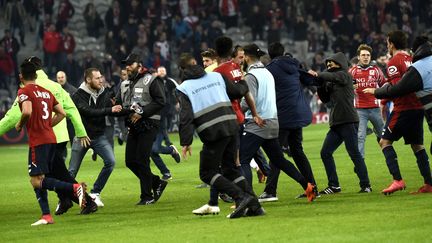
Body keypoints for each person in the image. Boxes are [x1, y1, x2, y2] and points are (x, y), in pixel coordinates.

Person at [0, 56, 96, 216]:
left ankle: (84, 200)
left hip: (41, 139)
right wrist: (80, 131)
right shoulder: (54, 86)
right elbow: (70, 109)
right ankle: (66, 200)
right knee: (54, 172)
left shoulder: (28, 89)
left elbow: (12, 117)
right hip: (57, 136)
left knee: (44, 176)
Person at [176, 53, 264, 218]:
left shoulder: (183, 88)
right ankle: (255, 206)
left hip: (213, 131)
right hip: (232, 126)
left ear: (182, 69)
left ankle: (241, 197)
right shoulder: (217, 76)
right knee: (230, 169)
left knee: (207, 173)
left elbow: (186, 116)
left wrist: (186, 141)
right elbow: (237, 92)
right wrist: (243, 81)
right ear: (196, 63)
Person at [239, 43, 316, 202]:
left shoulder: (251, 76)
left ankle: (247, 198)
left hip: (258, 123)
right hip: (274, 121)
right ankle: (307, 185)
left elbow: (248, 100)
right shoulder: (267, 73)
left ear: (246, 57)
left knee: (243, 159)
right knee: (279, 160)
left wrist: (235, 108)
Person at [15, 59, 85, 226]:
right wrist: (47, 125)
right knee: (40, 178)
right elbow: (62, 113)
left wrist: (20, 124)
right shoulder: (46, 92)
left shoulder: (24, 91)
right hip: (51, 139)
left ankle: (73, 189)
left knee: (36, 180)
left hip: (38, 141)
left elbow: (26, 111)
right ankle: (46, 215)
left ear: (21, 76)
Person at [363, 31, 431, 194]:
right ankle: (429, 183)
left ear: (391, 44)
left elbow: (397, 88)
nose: (387, 45)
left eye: (387, 42)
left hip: (403, 109)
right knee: (417, 145)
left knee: (384, 142)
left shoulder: (394, 61)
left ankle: (397, 180)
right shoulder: (411, 59)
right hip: (418, 108)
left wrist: (379, 94)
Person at [260, 42, 318, 202]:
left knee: (275, 153)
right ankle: (312, 186)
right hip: (298, 114)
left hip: (284, 117)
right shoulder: (294, 67)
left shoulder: (269, 70)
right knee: (297, 151)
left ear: (270, 55)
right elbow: (311, 80)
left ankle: (270, 191)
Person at [309, 52, 372, 194]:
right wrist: (319, 85)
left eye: (332, 62)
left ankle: (366, 185)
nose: (329, 65)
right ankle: (334, 186)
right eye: (328, 63)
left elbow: (329, 75)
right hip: (337, 123)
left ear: (341, 63)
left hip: (348, 121)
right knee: (325, 153)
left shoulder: (345, 75)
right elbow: (325, 99)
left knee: (354, 153)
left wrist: (318, 75)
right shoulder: (332, 79)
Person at [116, 53, 168, 205]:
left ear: (139, 65)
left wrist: (142, 113)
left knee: (141, 159)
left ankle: (147, 196)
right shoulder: (125, 83)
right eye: (126, 64)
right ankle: (156, 182)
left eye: (130, 63)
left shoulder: (151, 79)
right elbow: (121, 103)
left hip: (149, 123)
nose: (127, 66)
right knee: (130, 161)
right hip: (134, 124)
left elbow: (161, 101)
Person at [68, 68, 121, 207]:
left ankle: (95, 193)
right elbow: (89, 112)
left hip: (98, 136)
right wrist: (111, 109)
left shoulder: (104, 92)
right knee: (71, 171)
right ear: (88, 80)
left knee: (111, 162)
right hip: (82, 137)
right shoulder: (78, 95)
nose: (101, 80)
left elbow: (113, 109)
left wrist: (128, 111)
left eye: (101, 77)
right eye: (97, 78)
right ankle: (64, 199)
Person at [348, 44, 386, 159]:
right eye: (363, 55)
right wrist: (351, 88)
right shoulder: (352, 72)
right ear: (358, 57)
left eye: (368, 55)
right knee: (360, 136)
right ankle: (361, 164)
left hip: (375, 109)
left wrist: (377, 92)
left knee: (384, 136)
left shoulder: (376, 70)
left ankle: (389, 157)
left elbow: (384, 86)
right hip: (360, 110)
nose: (366, 57)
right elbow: (347, 90)